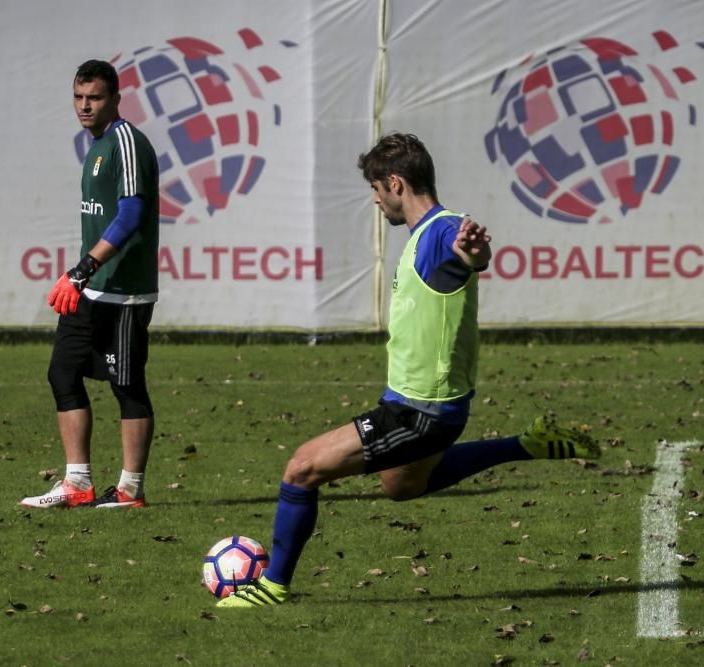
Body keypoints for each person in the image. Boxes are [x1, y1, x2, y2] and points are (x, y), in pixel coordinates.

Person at [218, 133, 601, 607]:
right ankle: (527, 444)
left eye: (377, 191)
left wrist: (474, 254)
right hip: (429, 407)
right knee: (401, 486)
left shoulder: (444, 230)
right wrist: (471, 255)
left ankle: (271, 586)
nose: (376, 201)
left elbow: (465, 255)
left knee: (301, 469)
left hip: (420, 413)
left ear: (395, 183)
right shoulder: (427, 233)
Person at [20, 59, 160, 510]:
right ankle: (77, 484)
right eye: (79, 97)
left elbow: (132, 214)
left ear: (116, 99)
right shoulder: (97, 145)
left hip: (123, 292)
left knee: (126, 386)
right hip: (91, 288)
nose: (85, 105)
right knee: (62, 372)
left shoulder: (124, 142)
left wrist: (81, 269)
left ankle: (129, 490)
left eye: (94, 97)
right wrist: (82, 276)